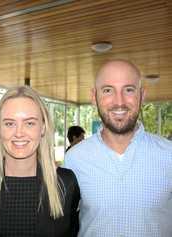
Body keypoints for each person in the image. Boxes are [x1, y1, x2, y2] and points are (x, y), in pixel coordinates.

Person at [64, 59, 172, 237]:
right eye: (108, 90)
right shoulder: (75, 159)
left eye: (129, 90)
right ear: (94, 97)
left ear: (142, 95)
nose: (119, 101)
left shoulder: (169, 155)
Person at [0, 86, 80, 237]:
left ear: (43, 127)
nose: (19, 133)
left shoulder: (65, 183)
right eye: (9, 123)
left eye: (29, 123)